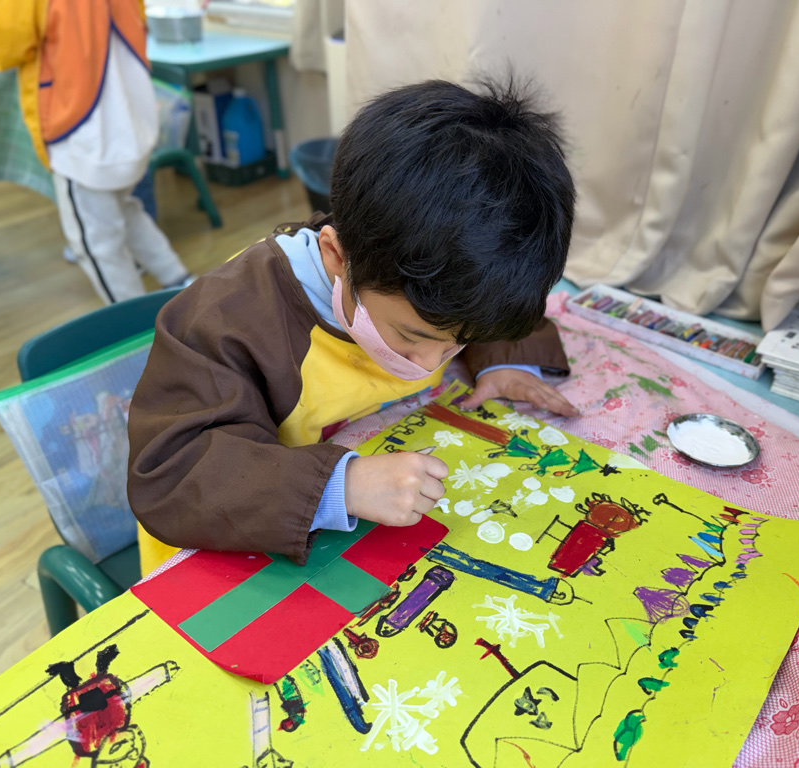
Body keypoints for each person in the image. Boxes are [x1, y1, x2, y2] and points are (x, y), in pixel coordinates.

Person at [127, 79, 578, 574]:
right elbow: (172, 474)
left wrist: (502, 359)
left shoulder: (417, 274)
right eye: (411, 338)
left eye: (459, 344)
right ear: (336, 256)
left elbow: (485, 305)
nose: (428, 364)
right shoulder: (227, 320)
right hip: (228, 543)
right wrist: (340, 486)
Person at [0, 0, 194, 304]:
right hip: (128, 110)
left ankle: (134, 326)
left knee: (98, 245)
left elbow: (2, 40)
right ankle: (182, 283)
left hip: (83, 127)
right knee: (125, 210)